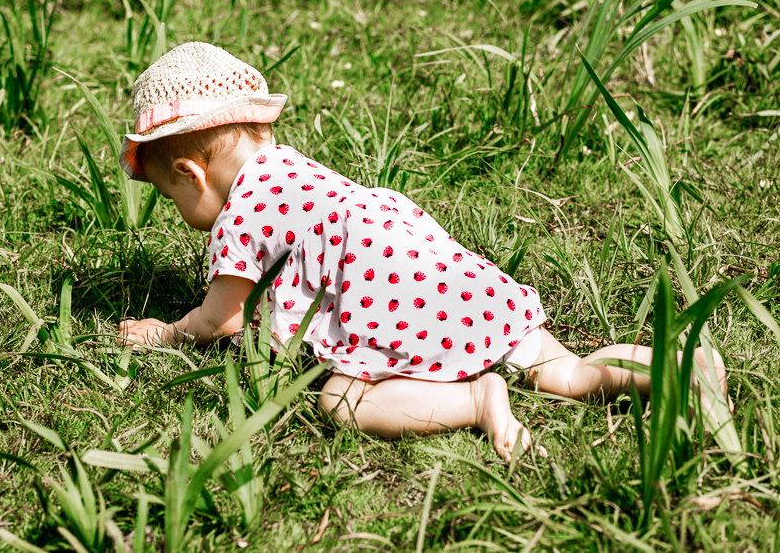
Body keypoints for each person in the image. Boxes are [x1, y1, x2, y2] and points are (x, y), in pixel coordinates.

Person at [117, 42, 728, 460]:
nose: (180, 211)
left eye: (170, 194)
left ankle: (474, 399)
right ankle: (678, 364)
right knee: (564, 372)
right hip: (433, 267)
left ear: (192, 176)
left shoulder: (236, 217)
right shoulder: (288, 166)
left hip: (381, 293)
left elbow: (220, 319)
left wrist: (165, 333)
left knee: (343, 399)